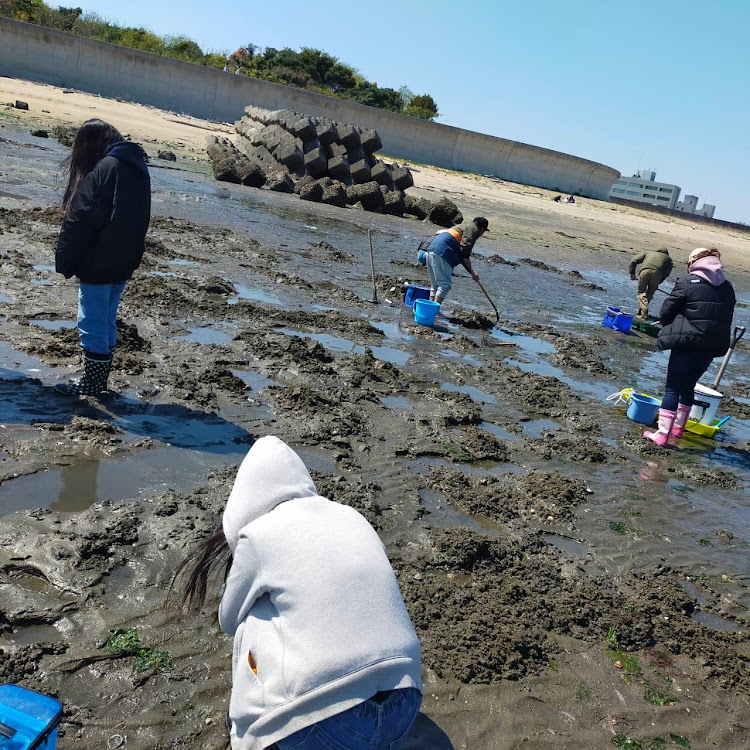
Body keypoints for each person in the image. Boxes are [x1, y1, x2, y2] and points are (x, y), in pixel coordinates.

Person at [177, 436, 423, 750]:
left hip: (327, 726)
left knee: (255, 613)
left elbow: (228, 619)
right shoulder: (352, 516)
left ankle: (253, 729)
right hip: (404, 709)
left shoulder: (259, 534)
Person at [54, 119, 151, 397]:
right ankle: (98, 381)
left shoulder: (105, 169)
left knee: (92, 321)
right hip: (122, 262)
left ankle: (92, 383)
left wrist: (66, 259)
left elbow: (81, 218)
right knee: (107, 320)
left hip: (99, 261)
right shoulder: (137, 168)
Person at [643, 248, 735, 446]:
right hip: (712, 345)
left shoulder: (686, 281)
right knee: (688, 386)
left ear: (694, 262)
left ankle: (662, 434)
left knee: (672, 388)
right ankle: (677, 430)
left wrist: (673, 321)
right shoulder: (727, 287)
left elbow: (666, 312)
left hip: (687, 343)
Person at [425, 216, 488, 304]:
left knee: (435, 285)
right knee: (445, 285)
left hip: (431, 250)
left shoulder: (463, 226)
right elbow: (464, 250)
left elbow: (462, 254)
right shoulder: (473, 229)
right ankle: (435, 312)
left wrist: (472, 272)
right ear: (482, 229)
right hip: (442, 252)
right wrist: (468, 260)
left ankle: (429, 310)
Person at [628, 247, 673, 319]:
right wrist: (658, 282)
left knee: (641, 292)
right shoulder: (668, 259)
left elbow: (633, 260)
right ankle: (641, 312)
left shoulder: (648, 252)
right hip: (657, 274)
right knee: (650, 293)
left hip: (645, 271)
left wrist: (632, 274)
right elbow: (666, 273)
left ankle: (643, 311)